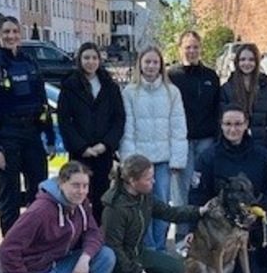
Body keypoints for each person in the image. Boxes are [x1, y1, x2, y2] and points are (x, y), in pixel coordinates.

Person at [188, 104, 267, 273]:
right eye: (227, 124)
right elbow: (196, 195)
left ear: (246, 124)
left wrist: (259, 208)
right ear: (221, 125)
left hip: (253, 218)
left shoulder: (261, 155)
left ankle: (264, 265)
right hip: (221, 225)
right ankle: (241, 265)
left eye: (237, 124)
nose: (232, 129)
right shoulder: (208, 157)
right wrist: (191, 229)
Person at [0, 13, 56, 236]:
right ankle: (13, 252)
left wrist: (49, 138)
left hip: (31, 135)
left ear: (20, 34)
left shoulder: (29, 62)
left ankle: (36, 246)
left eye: (14, 32)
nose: (11, 36)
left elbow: (42, 102)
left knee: (39, 195)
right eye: (6, 32)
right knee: (10, 197)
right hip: (6, 137)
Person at [0, 161, 116, 273]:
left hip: (62, 263)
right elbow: (7, 249)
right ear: (61, 183)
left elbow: (93, 232)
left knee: (106, 255)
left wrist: (85, 258)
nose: (81, 191)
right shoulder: (40, 211)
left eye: (85, 186)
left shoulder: (81, 203)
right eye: (76, 185)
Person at [100, 154, 208, 273]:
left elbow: (169, 212)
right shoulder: (115, 209)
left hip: (138, 254)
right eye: (148, 178)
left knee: (177, 268)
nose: (154, 181)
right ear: (132, 181)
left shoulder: (144, 196)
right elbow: (114, 250)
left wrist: (200, 211)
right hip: (117, 267)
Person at [120, 46, 188, 251]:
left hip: (163, 160)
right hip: (139, 161)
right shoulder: (130, 92)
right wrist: (129, 161)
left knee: (162, 206)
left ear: (161, 66)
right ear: (140, 64)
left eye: (155, 62)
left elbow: (178, 127)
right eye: (147, 62)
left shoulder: (171, 91)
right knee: (141, 206)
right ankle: (147, 248)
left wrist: (177, 159)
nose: (151, 66)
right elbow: (128, 128)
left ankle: (159, 248)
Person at [58, 42, 126, 224]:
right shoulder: (70, 86)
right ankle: (78, 238)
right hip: (80, 153)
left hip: (103, 152)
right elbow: (64, 121)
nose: (91, 62)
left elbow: (119, 118)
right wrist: (82, 147)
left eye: (94, 58)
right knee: (78, 197)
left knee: (101, 198)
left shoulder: (109, 86)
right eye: (86, 58)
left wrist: (106, 144)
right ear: (80, 60)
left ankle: (98, 237)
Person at [168, 31, 220, 243]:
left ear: (201, 49)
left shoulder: (210, 76)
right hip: (181, 141)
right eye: (187, 47)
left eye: (195, 47)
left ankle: (203, 237)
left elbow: (218, 108)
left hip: (206, 140)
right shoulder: (171, 76)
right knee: (181, 192)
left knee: (203, 188)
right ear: (180, 49)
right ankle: (182, 238)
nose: (191, 51)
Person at [219, 43, 267, 162]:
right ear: (237, 62)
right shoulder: (226, 89)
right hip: (234, 148)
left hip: (261, 146)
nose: (247, 63)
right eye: (242, 59)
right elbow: (222, 122)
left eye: (251, 59)